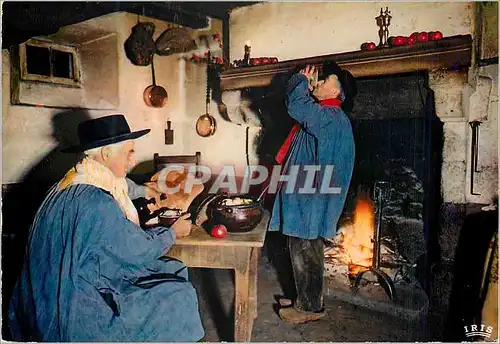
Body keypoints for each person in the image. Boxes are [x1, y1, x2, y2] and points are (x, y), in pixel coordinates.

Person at [8, 114, 205, 341]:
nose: (133, 160)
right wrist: (172, 232)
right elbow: (136, 251)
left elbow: (120, 186)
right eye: (129, 152)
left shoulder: (73, 180)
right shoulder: (96, 201)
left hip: (38, 300)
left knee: (172, 270)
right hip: (72, 311)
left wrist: (145, 191)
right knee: (180, 294)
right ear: (106, 153)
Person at [268, 63, 357, 324]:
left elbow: (296, 106)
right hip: (308, 192)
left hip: (310, 196)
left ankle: (309, 308)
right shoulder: (326, 115)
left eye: (324, 78)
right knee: (303, 247)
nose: (317, 81)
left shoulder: (329, 115)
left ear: (338, 89)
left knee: (305, 249)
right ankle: (305, 298)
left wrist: (300, 80)